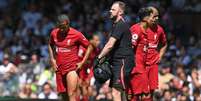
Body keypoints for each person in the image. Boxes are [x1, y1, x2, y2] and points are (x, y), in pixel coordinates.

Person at [95, 1, 134, 101]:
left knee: (116, 92)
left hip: (122, 62)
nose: (110, 11)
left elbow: (110, 45)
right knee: (121, 92)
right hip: (119, 62)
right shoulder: (117, 25)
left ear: (120, 12)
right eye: (110, 9)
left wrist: (98, 58)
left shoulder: (120, 25)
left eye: (113, 9)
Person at [48, 14, 90, 101]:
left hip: (71, 69)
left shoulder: (76, 34)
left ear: (68, 24)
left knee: (71, 94)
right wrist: (52, 59)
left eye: (63, 27)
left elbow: (89, 46)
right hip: (59, 69)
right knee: (63, 95)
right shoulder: (54, 33)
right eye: (60, 27)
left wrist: (82, 62)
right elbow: (50, 44)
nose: (62, 29)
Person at [129, 6, 167, 101]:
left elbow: (164, 44)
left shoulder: (159, 30)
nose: (156, 18)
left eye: (158, 16)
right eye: (154, 16)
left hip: (152, 64)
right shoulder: (139, 29)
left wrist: (160, 56)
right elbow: (130, 47)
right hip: (140, 65)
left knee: (149, 93)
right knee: (135, 93)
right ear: (147, 17)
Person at [77, 34, 100, 101]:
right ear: (91, 40)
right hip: (79, 70)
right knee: (79, 87)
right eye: (96, 40)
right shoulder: (83, 48)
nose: (98, 42)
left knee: (89, 89)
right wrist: (81, 77)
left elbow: (93, 64)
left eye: (99, 40)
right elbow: (78, 63)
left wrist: (89, 77)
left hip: (88, 70)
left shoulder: (97, 50)